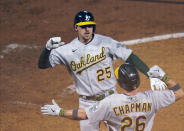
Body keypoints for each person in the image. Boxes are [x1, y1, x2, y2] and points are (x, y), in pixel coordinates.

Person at [38, 10, 166, 130]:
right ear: (76, 27)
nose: (87, 29)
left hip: (111, 99)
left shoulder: (106, 42)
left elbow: (129, 56)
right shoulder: (66, 50)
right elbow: (43, 64)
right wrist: (47, 49)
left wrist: (150, 75)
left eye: (90, 25)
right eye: (83, 26)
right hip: (87, 102)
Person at [41, 64, 184, 131]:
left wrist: (59, 112)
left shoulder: (111, 102)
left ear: (120, 83)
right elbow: (179, 92)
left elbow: (84, 114)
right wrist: (163, 76)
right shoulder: (153, 98)